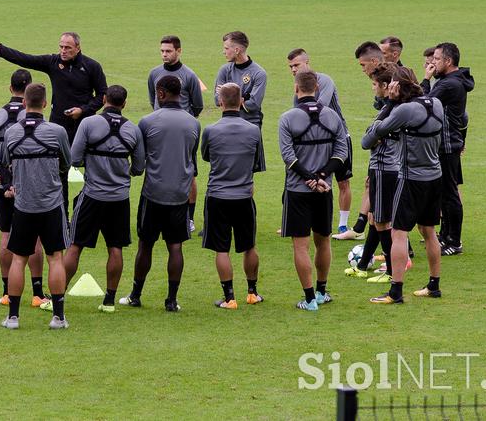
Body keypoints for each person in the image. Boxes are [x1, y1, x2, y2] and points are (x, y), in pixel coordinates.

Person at [0, 32, 107, 205]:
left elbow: (103, 94)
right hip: (58, 128)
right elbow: (25, 59)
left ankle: (87, 209)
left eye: (67, 47)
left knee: (93, 170)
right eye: (61, 47)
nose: (63, 51)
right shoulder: (53, 62)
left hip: (85, 127)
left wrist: (83, 110)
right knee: (59, 175)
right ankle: (62, 216)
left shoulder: (92, 66)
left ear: (78, 47)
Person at [362, 66, 445, 303]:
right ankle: (434, 285)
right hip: (434, 175)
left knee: (398, 232)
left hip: (410, 179)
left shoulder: (405, 110)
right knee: (429, 232)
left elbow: (368, 139)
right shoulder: (435, 104)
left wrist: (389, 103)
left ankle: (395, 291)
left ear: (395, 87)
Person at [120, 74, 200, 312]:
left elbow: (141, 160)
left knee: (146, 244)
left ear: (161, 94)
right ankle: (171, 300)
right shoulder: (193, 123)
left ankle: (136, 294)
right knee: (175, 247)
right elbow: (191, 157)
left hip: (153, 192)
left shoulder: (147, 121)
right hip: (180, 193)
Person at [63, 85, 145, 312]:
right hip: (119, 198)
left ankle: (57, 296)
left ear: (105, 99)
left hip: (92, 195)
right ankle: (109, 300)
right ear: (124, 104)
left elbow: (75, 158)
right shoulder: (133, 129)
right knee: (115, 247)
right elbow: (139, 167)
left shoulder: (88, 123)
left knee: (75, 245)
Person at [0, 83, 72, 330]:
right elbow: (67, 162)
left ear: (24, 103)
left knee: (19, 259)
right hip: (51, 204)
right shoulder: (58, 131)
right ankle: (59, 317)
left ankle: (13, 318)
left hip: (23, 206)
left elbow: (6, 163)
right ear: (45, 103)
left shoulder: (11, 133)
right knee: (55, 258)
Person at [278, 71, 349, 311]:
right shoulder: (332, 116)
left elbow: (289, 157)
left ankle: (308, 299)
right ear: (317, 88)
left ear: (296, 88)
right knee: (323, 242)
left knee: (301, 246)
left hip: (298, 190)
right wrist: (321, 176)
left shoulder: (288, 118)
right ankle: (321, 292)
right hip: (324, 189)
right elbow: (341, 152)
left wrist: (309, 177)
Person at [0, 69, 46, 307]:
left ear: (10, 89)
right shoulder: (35, 119)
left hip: (5, 186)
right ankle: (38, 293)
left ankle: (7, 292)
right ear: (30, 89)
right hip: (30, 186)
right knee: (36, 239)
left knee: (6, 235)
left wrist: (4, 178)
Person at [201, 83, 263, 310]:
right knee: (249, 246)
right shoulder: (253, 130)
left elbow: (206, 156)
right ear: (241, 102)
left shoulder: (211, 130)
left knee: (221, 248)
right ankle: (252, 292)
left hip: (218, 195)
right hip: (244, 196)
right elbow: (257, 162)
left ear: (220, 102)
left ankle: (229, 297)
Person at [286, 49, 358, 241]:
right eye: (291, 66)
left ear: (307, 62)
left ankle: (343, 224)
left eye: (297, 65)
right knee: (304, 176)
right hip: (313, 139)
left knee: (342, 181)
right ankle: (300, 221)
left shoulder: (324, 81)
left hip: (337, 137)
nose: (293, 69)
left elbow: (319, 108)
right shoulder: (299, 86)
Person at [345, 64, 403, 283]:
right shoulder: (389, 107)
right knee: (373, 218)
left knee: (381, 222)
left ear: (386, 86)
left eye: (374, 84)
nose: (372, 88)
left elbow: (367, 140)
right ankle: (362, 265)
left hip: (386, 170)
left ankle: (390, 271)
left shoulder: (393, 110)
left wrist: (370, 137)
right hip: (379, 169)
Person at [148, 35, 204, 229]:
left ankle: (188, 217)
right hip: (159, 132)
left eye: (168, 51)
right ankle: (158, 212)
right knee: (158, 169)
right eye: (162, 51)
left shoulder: (189, 75)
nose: (164, 54)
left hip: (183, 133)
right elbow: (153, 100)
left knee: (189, 172)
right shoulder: (154, 73)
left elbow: (197, 106)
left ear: (179, 51)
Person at [423, 42, 474, 256]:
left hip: (445, 145)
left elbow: (422, 101)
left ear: (448, 61)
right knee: (444, 193)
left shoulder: (449, 85)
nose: (432, 63)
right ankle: (444, 237)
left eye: (436, 59)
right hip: (449, 143)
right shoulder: (450, 80)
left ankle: (454, 241)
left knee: (450, 194)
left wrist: (426, 78)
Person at [214, 31, 267, 172]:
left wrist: (228, 96)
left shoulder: (258, 73)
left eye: (226, 48)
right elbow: (216, 99)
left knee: (248, 171)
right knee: (227, 168)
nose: (223, 52)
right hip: (228, 124)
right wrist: (243, 97)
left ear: (236, 50)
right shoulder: (224, 70)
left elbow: (254, 104)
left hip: (250, 126)